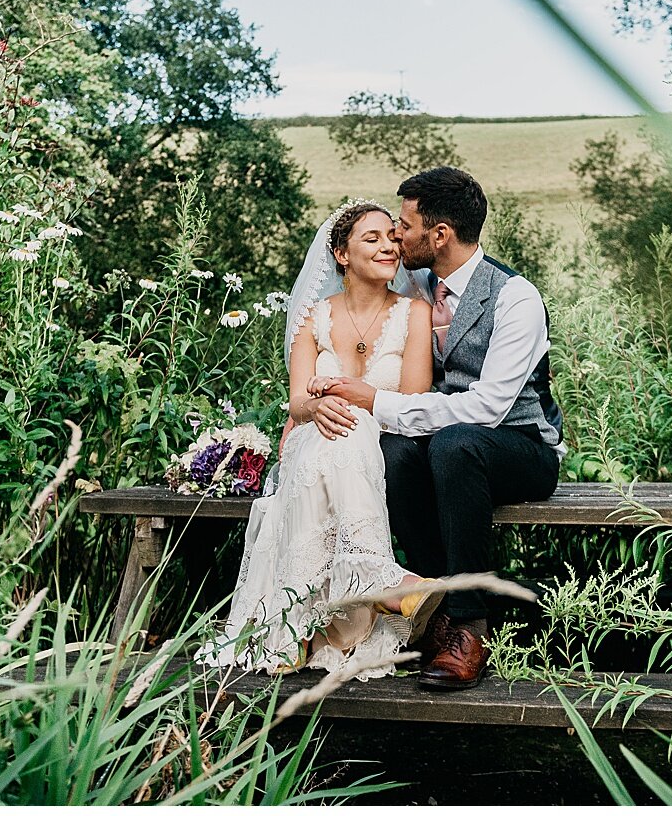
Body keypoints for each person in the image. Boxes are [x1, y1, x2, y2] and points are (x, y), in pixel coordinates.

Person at [322, 167, 564, 691]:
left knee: (455, 445)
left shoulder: (515, 297)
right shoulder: (415, 285)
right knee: (397, 453)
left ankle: (470, 629)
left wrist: (378, 401)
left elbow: (490, 408)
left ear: (439, 235)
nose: (395, 237)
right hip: (449, 443)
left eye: (404, 227)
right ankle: (444, 609)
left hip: (521, 447)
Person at [200, 200, 444, 680]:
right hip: (316, 434)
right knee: (326, 441)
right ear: (341, 254)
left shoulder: (415, 313)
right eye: (370, 239)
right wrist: (316, 407)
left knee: (346, 439)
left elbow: (414, 396)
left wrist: (349, 401)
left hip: (383, 433)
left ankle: (294, 628)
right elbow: (297, 402)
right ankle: (381, 585)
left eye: (392, 237)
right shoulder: (314, 316)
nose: (388, 246)